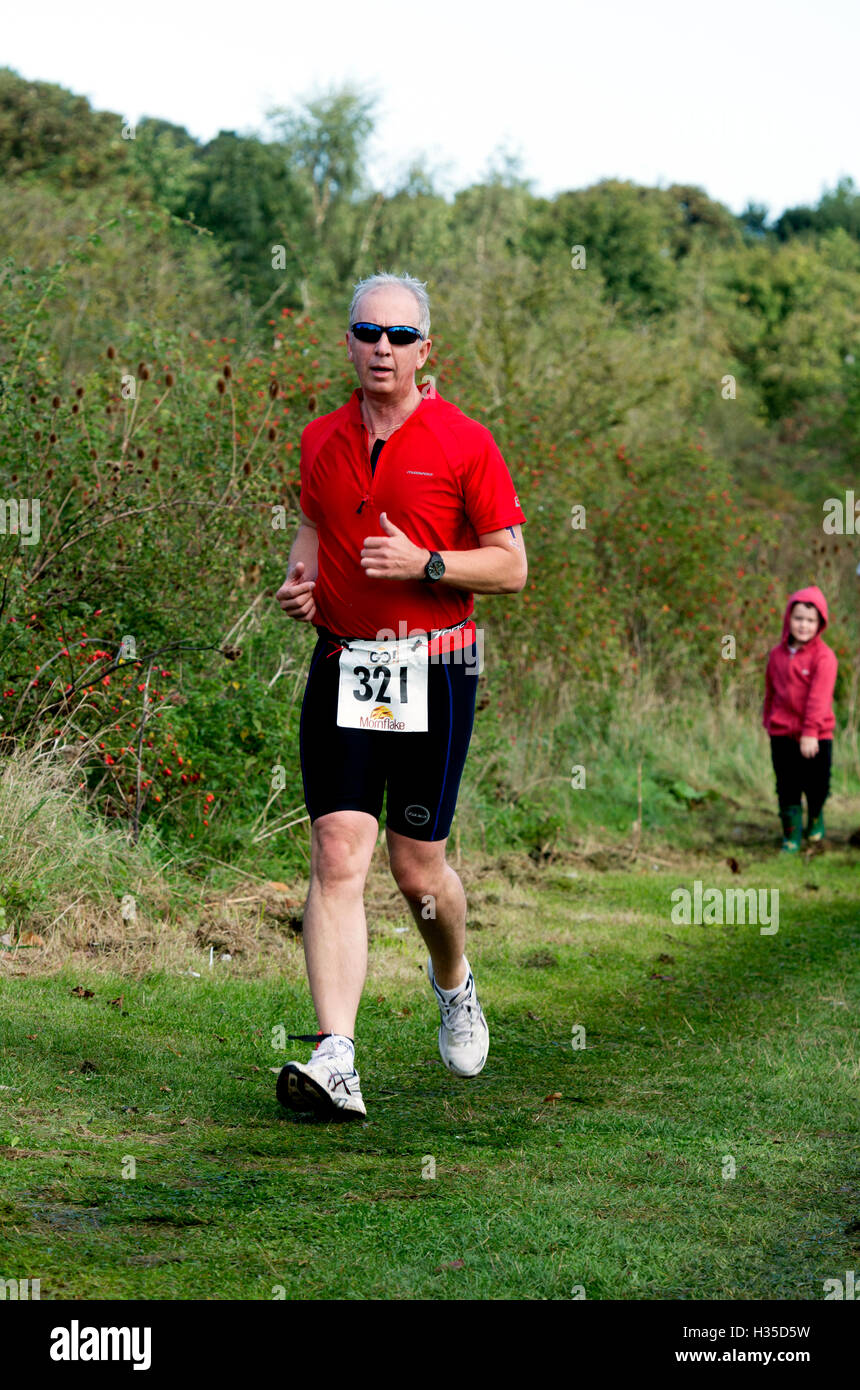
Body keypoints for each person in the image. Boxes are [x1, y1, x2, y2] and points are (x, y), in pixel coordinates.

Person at [273, 272, 527, 1119]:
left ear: (426, 349)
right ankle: (335, 1057)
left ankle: (453, 980)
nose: (382, 347)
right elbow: (313, 532)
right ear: (347, 342)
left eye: (399, 335)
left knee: (417, 870)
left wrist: (426, 563)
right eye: (366, 332)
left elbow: (512, 565)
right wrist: (302, 585)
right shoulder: (319, 438)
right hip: (345, 662)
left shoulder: (466, 442)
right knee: (338, 852)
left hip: (436, 667)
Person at [762, 585, 837, 852]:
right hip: (782, 732)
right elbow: (771, 690)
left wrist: (810, 732)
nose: (803, 625)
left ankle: (815, 817)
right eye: (798, 619)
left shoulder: (824, 657)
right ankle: (791, 835)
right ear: (788, 619)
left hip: (816, 735)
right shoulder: (776, 656)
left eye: (810, 620)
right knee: (786, 785)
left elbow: (819, 698)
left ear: (819, 623)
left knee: (817, 785)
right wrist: (769, 721)